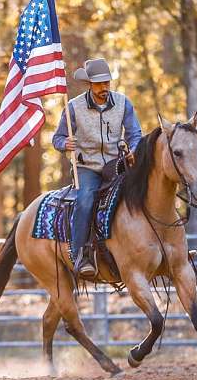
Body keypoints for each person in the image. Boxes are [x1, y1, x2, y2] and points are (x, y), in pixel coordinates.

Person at [52, 58, 142, 279]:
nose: (104, 88)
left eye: (107, 83)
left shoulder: (123, 103)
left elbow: (135, 134)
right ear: (89, 84)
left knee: (145, 190)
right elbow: (57, 138)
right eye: (99, 84)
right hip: (87, 167)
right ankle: (80, 253)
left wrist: (134, 149)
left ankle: (162, 245)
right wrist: (65, 144)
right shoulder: (73, 107)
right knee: (85, 199)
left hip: (116, 164)